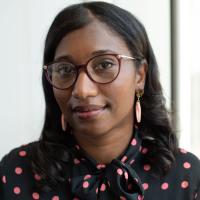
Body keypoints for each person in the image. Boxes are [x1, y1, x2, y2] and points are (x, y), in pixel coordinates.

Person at [0, 1, 199, 200]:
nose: (82, 90)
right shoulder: (16, 173)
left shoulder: (186, 178)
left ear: (140, 75)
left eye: (104, 64)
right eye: (64, 70)